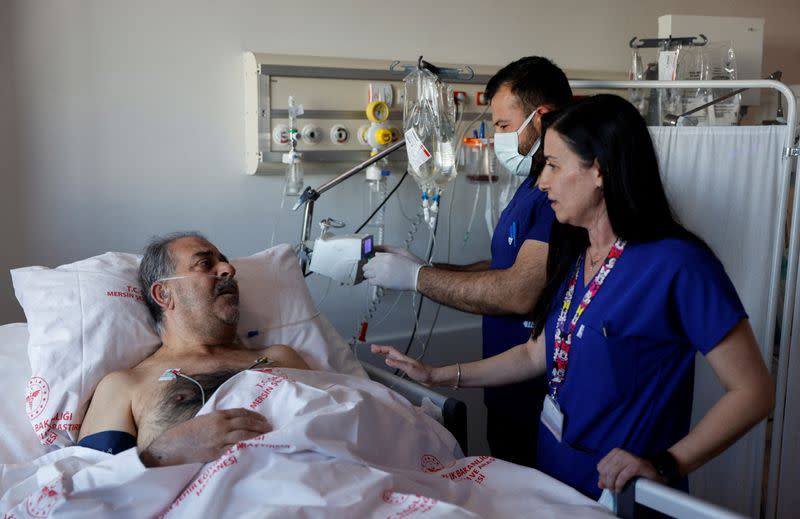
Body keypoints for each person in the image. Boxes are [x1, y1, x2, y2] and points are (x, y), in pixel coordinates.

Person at [371, 94, 774, 499]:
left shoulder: (678, 265)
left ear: (598, 169)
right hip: (556, 474)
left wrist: (666, 463)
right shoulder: (578, 254)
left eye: (553, 164)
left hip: (623, 491)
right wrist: (438, 374)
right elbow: (535, 354)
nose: (542, 180)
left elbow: (753, 392)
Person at [363, 56, 572, 467]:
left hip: (541, 398)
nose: (497, 140)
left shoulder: (559, 196)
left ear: (541, 118)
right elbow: (503, 266)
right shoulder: (533, 183)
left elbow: (518, 292)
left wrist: (419, 279)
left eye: (503, 126)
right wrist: (425, 266)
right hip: (505, 392)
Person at [78, 232, 310, 467]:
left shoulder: (280, 357)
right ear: (164, 294)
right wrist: (164, 453)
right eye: (205, 263)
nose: (228, 269)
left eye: (224, 261)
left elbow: (339, 416)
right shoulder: (125, 386)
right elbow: (91, 487)